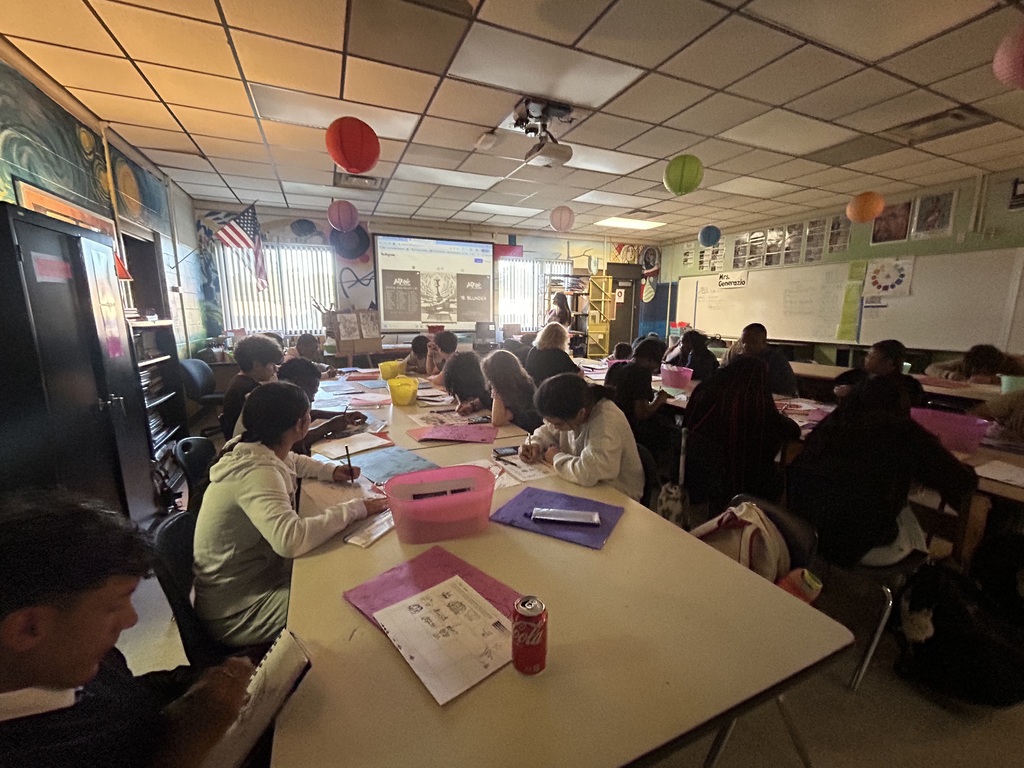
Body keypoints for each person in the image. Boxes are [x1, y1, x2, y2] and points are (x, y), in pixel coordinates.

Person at [0, 489, 252, 768]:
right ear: (28, 628)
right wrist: (188, 741)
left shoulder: (84, 659)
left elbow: (133, 694)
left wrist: (205, 681)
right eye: (113, 606)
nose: (131, 619)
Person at [194, 382, 389, 647]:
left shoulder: (252, 445)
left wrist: (329, 471)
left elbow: (292, 461)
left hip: (246, 584)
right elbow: (291, 540)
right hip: (239, 611)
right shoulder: (258, 473)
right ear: (301, 424)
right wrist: (357, 508)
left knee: (331, 569)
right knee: (344, 594)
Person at [788, 377, 977, 567]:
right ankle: (913, 574)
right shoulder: (905, 432)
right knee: (903, 513)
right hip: (853, 540)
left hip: (800, 527)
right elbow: (963, 483)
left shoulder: (833, 423)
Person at [684, 357, 800, 518]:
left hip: (700, 467)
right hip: (740, 476)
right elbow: (791, 431)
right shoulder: (752, 399)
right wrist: (784, 419)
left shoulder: (707, 388)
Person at [520, 373, 644, 500]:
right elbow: (548, 430)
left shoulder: (606, 420)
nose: (555, 427)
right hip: (588, 486)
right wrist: (535, 444)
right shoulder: (572, 410)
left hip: (618, 494)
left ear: (581, 413)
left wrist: (556, 458)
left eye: (558, 424)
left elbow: (589, 472)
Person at [221, 334, 283, 439]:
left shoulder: (240, 381)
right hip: (247, 445)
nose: (275, 369)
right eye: (272, 364)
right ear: (257, 365)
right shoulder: (250, 391)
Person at [833, 339, 925, 406]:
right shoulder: (858, 375)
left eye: (871, 357)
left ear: (889, 362)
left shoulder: (907, 385)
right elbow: (836, 384)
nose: (866, 359)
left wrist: (853, 392)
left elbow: (881, 398)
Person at [720, 323, 797, 396]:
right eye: (743, 342)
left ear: (763, 342)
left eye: (752, 342)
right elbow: (721, 378)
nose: (745, 346)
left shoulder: (776, 361)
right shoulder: (735, 357)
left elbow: (787, 391)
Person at [481, 350, 542, 433]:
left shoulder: (524, 389)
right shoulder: (510, 385)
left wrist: (496, 388)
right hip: (512, 431)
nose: (489, 381)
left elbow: (497, 421)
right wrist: (473, 405)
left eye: (492, 379)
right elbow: (485, 398)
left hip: (526, 435)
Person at [925, 344, 1024, 384]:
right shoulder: (970, 360)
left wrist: (993, 380)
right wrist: (951, 375)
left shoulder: (1013, 364)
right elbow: (931, 368)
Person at [441, 351, 493, 416]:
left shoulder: (496, 386)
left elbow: (491, 398)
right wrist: (471, 406)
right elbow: (485, 398)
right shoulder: (486, 390)